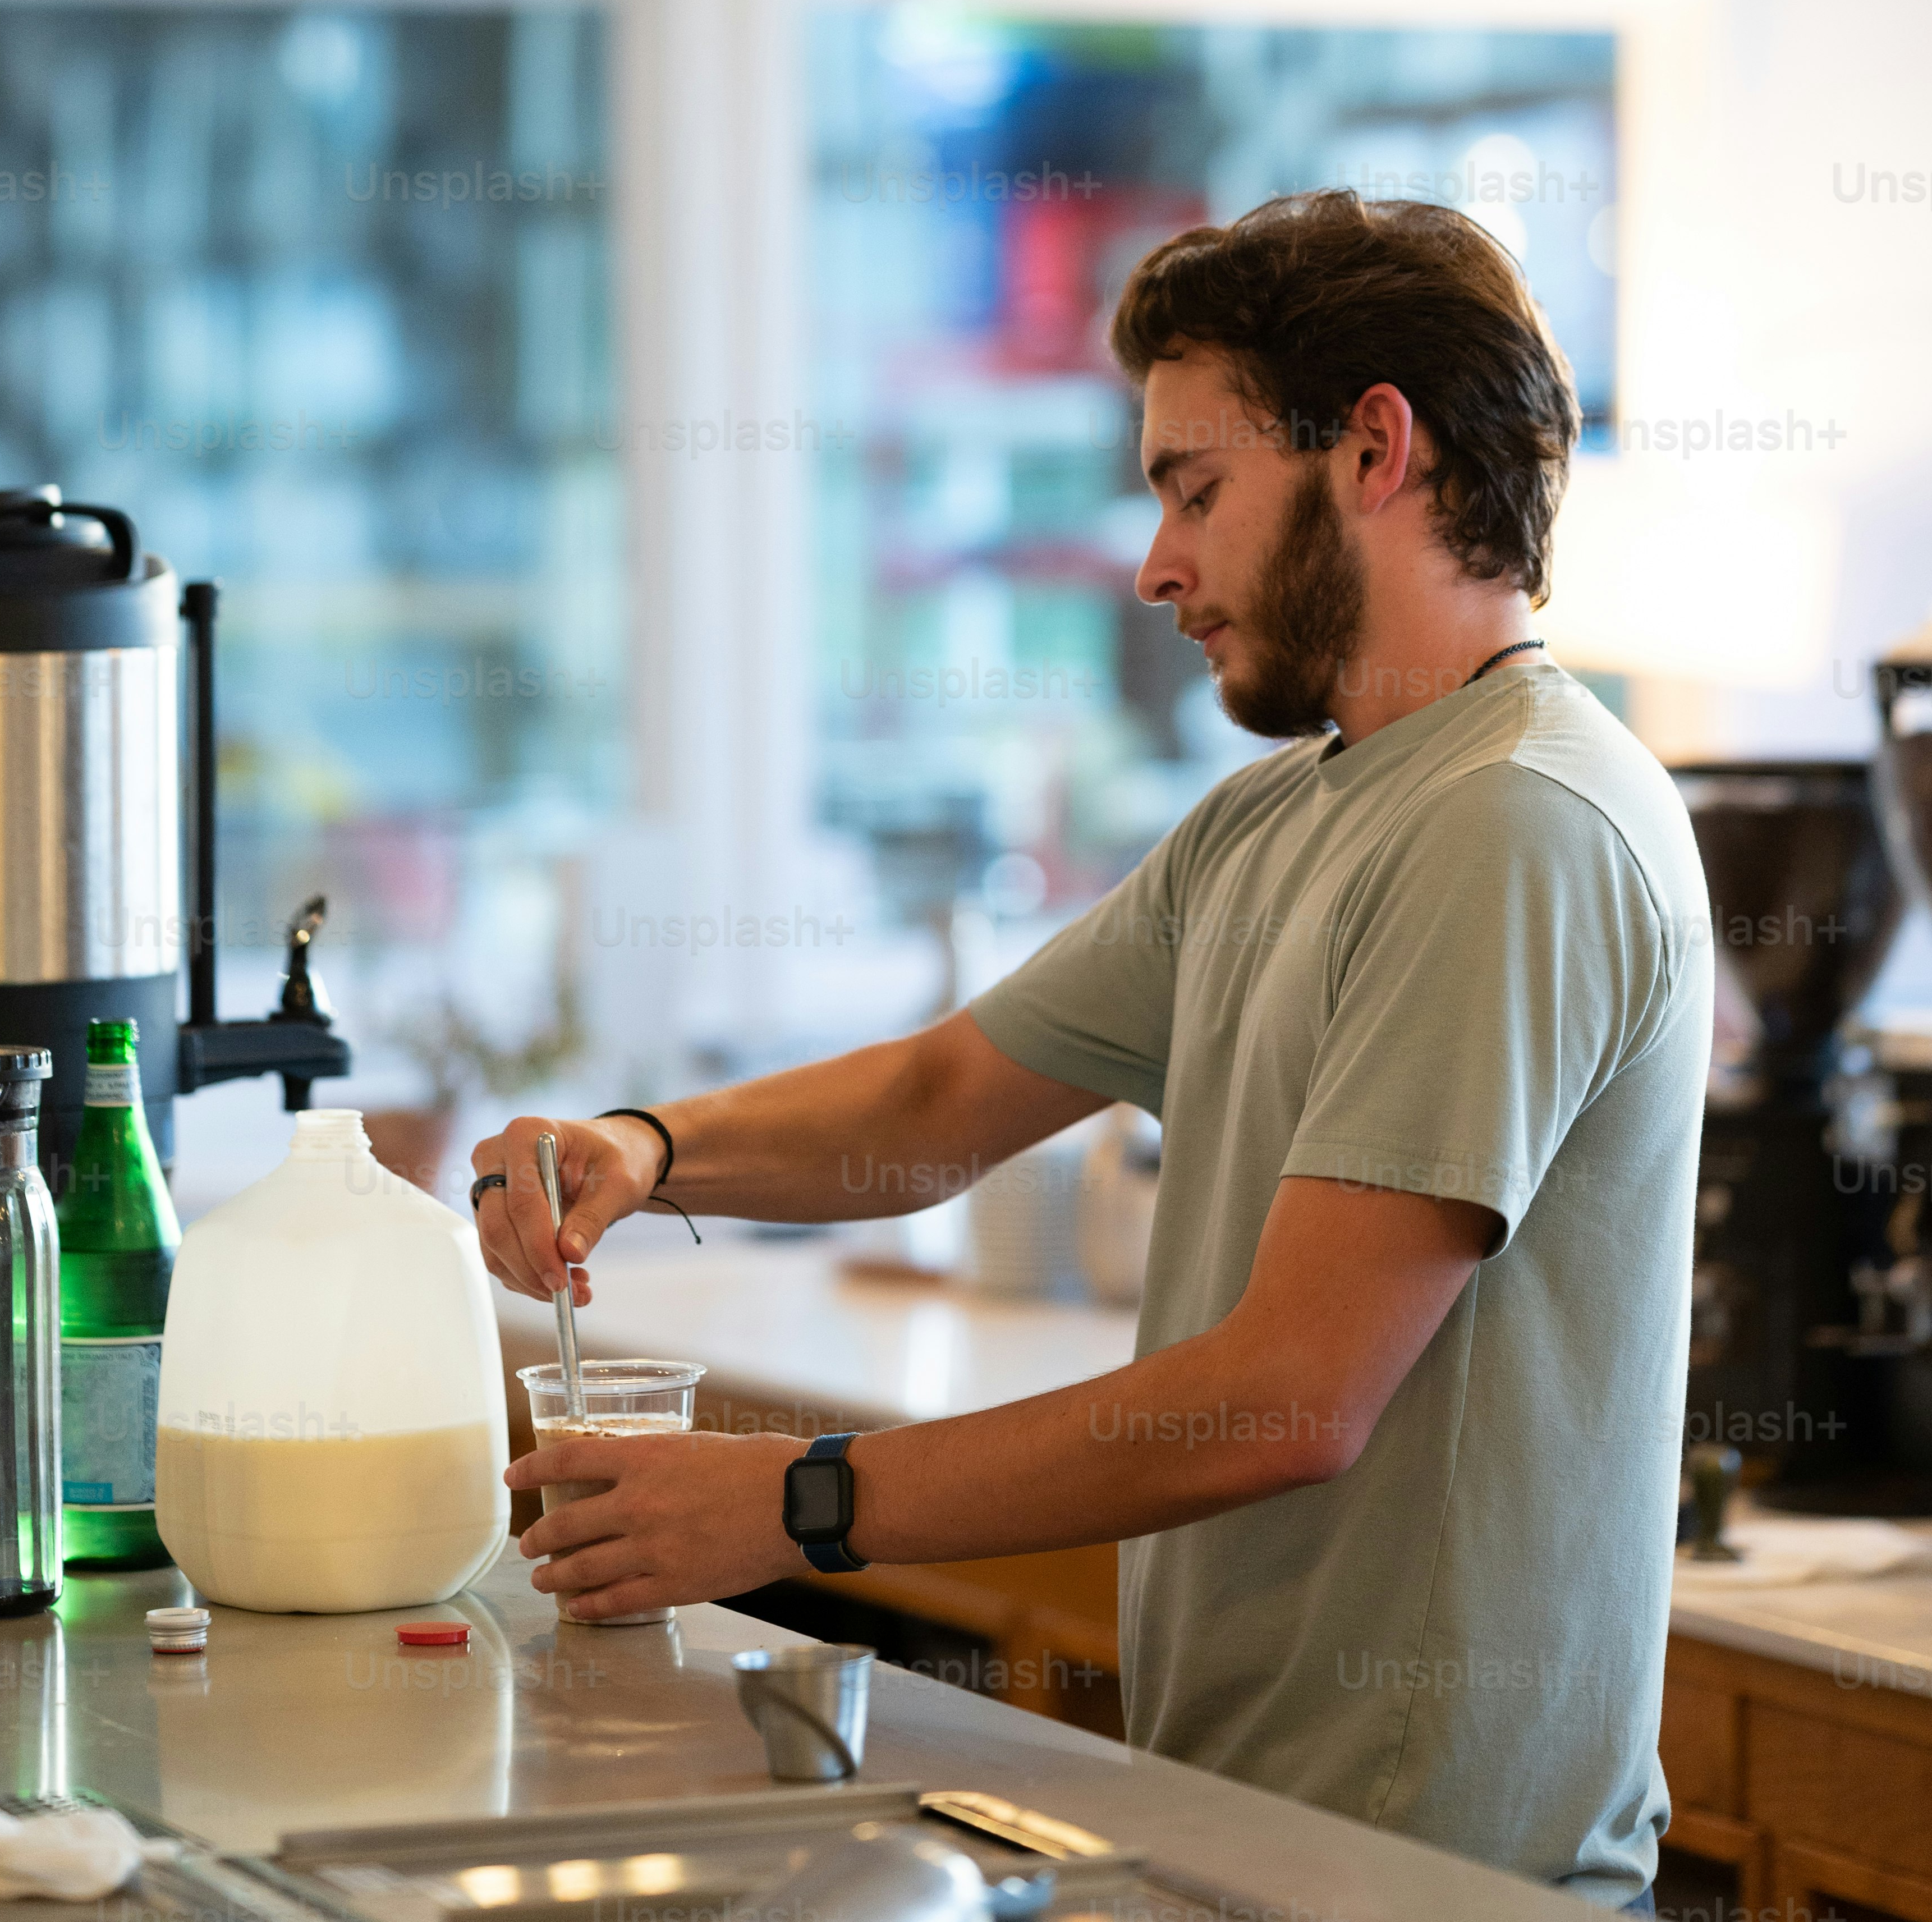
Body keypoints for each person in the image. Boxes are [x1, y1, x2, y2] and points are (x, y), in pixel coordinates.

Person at [472, 191, 1710, 1912]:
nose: (1155, 568)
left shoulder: (1515, 825)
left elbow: (1289, 1397)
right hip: (1254, 1838)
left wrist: (795, 1506)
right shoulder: (1279, 819)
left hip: (1437, 1881)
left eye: (1192, 489)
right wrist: (649, 1146)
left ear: (1372, 449)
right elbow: (935, 1103)